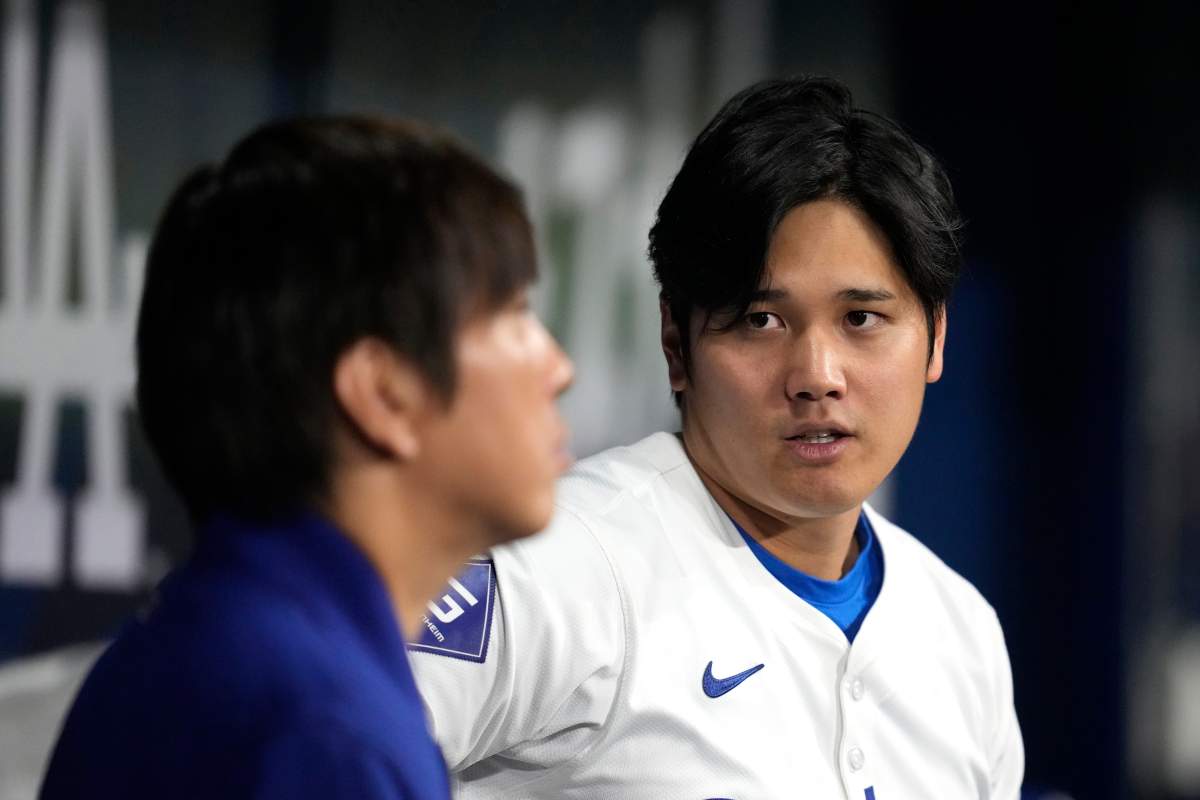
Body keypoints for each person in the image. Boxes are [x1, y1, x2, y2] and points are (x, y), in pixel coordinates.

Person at [409, 76, 1024, 798]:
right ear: (676, 342)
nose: (817, 376)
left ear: (936, 336)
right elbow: (310, 750)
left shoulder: (961, 631)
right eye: (761, 320)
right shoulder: (559, 564)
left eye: (861, 319)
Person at [40, 117, 573, 799]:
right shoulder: (328, 738)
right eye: (513, 314)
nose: (558, 367)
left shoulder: (180, 660)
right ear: (384, 396)